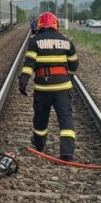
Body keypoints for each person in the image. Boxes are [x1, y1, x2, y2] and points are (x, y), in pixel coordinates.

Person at [18, 11, 79, 160]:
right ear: (55, 25)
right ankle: (67, 152)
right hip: (63, 88)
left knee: (40, 118)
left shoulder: (35, 41)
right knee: (65, 119)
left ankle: (39, 145)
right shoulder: (66, 41)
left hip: (43, 89)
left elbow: (29, 64)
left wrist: (23, 82)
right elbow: (74, 64)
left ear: (39, 25)